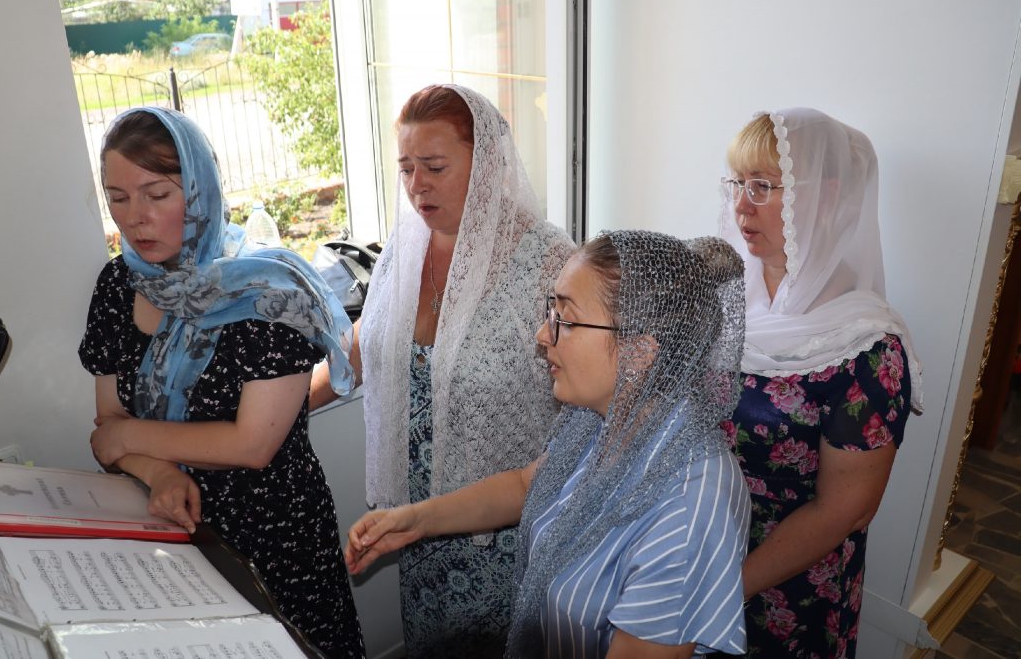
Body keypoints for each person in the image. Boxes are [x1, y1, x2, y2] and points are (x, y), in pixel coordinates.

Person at [346, 231, 751, 658]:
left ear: (638, 352)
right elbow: (528, 486)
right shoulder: (603, 417)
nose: (542, 334)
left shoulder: (689, 507)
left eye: (567, 320)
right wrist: (415, 520)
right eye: (550, 310)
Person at [79, 107, 364, 658]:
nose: (135, 218)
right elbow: (108, 421)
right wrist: (158, 472)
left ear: (199, 191)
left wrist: (126, 440)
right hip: (167, 522)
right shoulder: (118, 283)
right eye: (118, 198)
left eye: (156, 195)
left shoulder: (269, 294)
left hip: (273, 537)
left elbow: (251, 445)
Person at [311, 84, 574, 655]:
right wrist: (284, 407)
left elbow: (586, 391)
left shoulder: (550, 260)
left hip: (506, 526)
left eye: (434, 167)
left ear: (489, 164)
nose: (417, 186)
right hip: (417, 516)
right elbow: (367, 342)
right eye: (406, 168)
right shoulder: (405, 249)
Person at [717, 108, 924, 658]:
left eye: (762, 186)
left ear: (824, 198)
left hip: (788, 585)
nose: (741, 205)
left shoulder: (867, 349)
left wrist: (724, 589)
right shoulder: (724, 298)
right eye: (737, 183)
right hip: (698, 542)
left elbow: (844, 510)